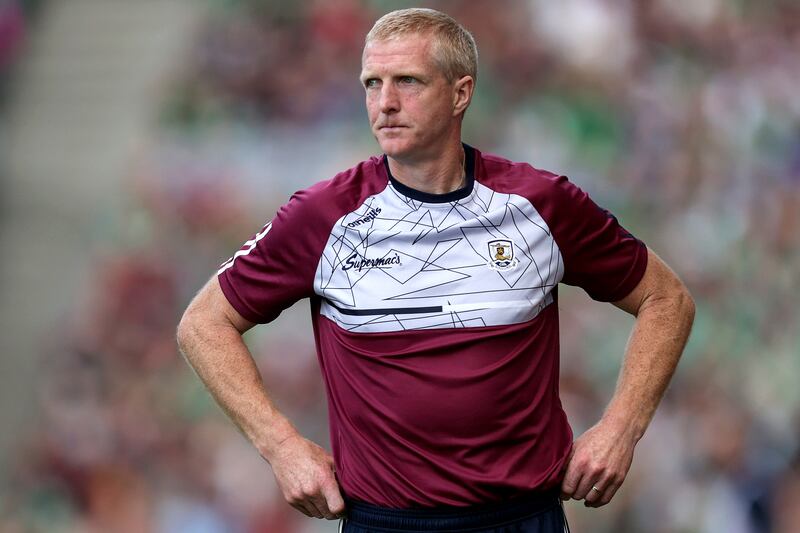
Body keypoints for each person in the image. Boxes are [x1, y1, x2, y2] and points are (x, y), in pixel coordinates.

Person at [176, 8, 695, 532]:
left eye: (408, 81)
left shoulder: (541, 204)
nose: (385, 103)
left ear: (460, 93)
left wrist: (622, 429)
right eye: (371, 84)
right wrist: (281, 445)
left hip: (522, 519)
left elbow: (667, 299)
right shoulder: (323, 217)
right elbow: (203, 324)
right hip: (386, 523)